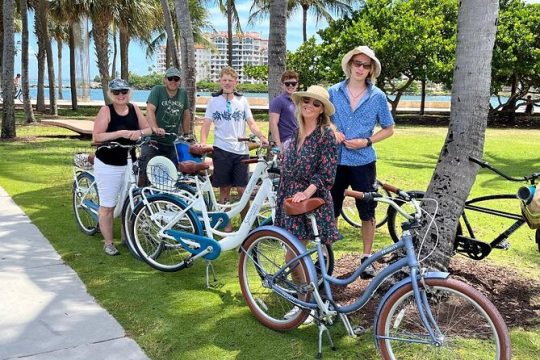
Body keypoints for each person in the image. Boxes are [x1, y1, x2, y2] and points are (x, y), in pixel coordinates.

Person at [274, 85, 339, 322]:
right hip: (288, 195)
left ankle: (308, 304)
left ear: (322, 110)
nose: (309, 106)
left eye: (316, 103)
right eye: (307, 101)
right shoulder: (296, 133)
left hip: (309, 200)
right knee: (294, 253)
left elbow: (327, 172)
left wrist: (305, 192)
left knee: (296, 255)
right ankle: (306, 299)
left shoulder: (327, 135)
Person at [328, 46, 394, 278]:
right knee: (331, 208)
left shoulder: (378, 97)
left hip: (364, 162)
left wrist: (366, 141)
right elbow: (323, 117)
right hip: (335, 160)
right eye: (357, 63)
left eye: (366, 65)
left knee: (367, 210)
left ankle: (367, 257)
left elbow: (389, 129)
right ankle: (326, 256)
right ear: (349, 65)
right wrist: (334, 130)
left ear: (371, 69)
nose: (361, 68)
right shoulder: (333, 92)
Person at [199, 66, 269, 230]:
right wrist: (203, 142)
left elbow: (251, 123)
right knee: (224, 190)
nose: (228, 83)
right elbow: (206, 124)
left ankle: (248, 224)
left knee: (243, 190)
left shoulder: (242, 101)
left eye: (231, 80)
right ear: (220, 81)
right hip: (222, 150)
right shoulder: (213, 101)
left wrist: (261, 136)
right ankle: (227, 224)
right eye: (224, 80)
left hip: (241, 152)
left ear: (236, 82)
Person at [92, 79, 151, 256]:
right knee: (108, 206)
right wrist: (119, 134)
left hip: (129, 161)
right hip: (108, 163)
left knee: (129, 201)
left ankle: (127, 237)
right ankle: (108, 243)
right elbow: (96, 136)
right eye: (116, 92)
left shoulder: (133, 108)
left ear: (129, 92)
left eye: (123, 91)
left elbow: (148, 129)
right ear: (111, 94)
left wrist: (138, 133)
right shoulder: (106, 110)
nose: (120, 95)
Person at [138, 67, 191, 186]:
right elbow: (150, 110)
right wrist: (155, 128)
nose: (173, 81)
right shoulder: (157, 90)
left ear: (180, 81)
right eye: (170, 78)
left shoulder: (182, 93)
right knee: (146, 171)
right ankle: (140, 198)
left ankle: (167, 201)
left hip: (171, 142)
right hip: (153, 140)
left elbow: (186, 113)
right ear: (165, 80)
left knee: (172, 175)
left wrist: (186, 133)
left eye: (176, 79)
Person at [269, 70, 299, 147]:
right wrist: (278, 145)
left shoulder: (299, 101)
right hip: (286, 141)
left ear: (297, 85)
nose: (290, 86)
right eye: (287, 84)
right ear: (282, 85)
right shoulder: (278, 101)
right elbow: (273, 123)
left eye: (293, 83)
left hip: (299, 140)